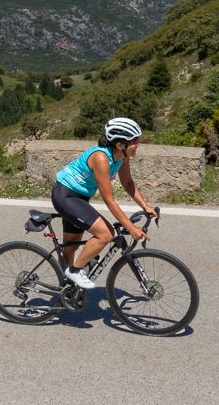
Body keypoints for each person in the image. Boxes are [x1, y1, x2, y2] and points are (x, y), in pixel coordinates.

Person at [51, 117, 157, 289]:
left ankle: (66, 289)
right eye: (135, 141)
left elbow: (128, 183)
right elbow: (109, 200)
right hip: (66, 196)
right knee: (106, 234)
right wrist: (130, 227)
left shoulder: (122, 157)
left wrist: (145, 206)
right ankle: (75, 271)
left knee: (70, 248)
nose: (138, 144)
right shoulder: (101, 158)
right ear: (120, 144)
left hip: (80, 198)